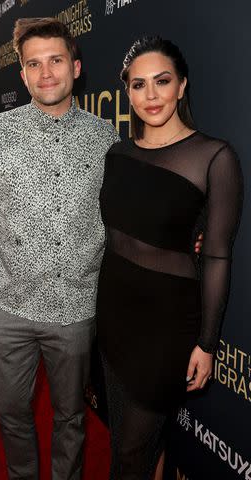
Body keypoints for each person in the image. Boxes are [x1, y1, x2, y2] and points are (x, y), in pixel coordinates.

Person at [0, 17, 120, 480]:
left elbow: (123, 218)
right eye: (34, 64)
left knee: (71, 418)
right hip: (5, 307)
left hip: (75, 309)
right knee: (12, 415)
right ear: (22, 75)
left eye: (56, 60)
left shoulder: (105, 138)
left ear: (76, 67)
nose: (46, 73)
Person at [96, 36, 243, 479]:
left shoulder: (214, 157)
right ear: (128, 93)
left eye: (162, 81)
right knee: (133, 439)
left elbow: (217, 256)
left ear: (181, 86)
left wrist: (207, 341)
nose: (151, 95)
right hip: (113, 311)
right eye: (138, 85)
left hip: (166, 325)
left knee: (128, 455)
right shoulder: (117, 154)